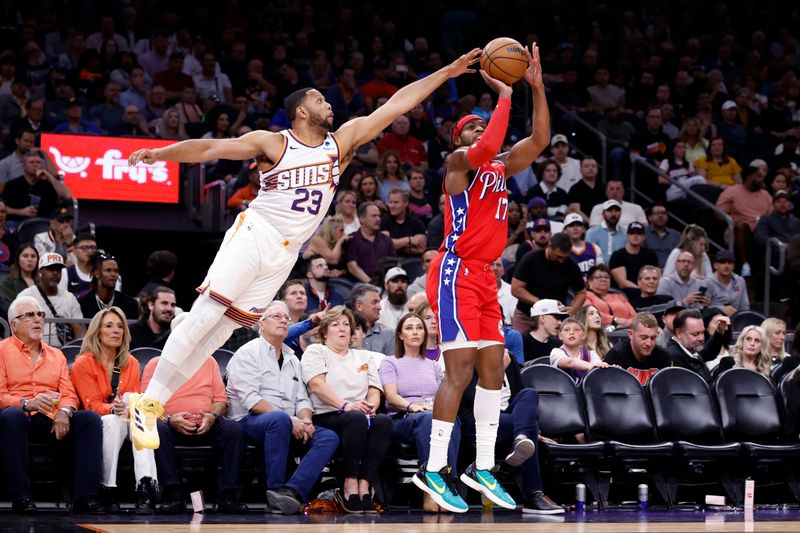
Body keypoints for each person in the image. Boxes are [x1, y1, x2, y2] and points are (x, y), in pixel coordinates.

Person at [124, 50, 484, 451]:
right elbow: (211, 149)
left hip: (286, 251)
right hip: (256, 232)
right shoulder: (274, 142)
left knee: (222, 331)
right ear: (299, 111)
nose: (328, 103)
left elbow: (399, 101)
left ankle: (151, 403)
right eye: (318, 99)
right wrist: (160, 153)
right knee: (206, 315)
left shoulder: (341, 142)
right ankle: (148, 398)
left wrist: (448, 72)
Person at [418, 44, 549, 514]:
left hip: (485, 278)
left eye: (483, 120)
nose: (480, 126)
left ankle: (484, 466)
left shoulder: (500, 167)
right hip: (454, 272)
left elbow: (538, 141)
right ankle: (434, 467)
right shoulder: (460, 163)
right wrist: (503, 96)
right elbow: (490, 145)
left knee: (494, 370)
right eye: (471, 124)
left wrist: (534, 88)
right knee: (461, 370)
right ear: (461, 138)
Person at [226, 301, 339, 515]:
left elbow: (302, 399)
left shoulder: (292, 357)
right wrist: (290, 421)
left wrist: (305, 420)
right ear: (261, 323)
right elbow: (252, 401)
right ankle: (275, 487)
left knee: (329, 437)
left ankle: (291, 491)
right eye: (277, 316)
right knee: (277, 420)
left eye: (286, 317)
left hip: (288, 422)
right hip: (248, 422)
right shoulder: (247, 353)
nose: (283, 320)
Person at [0, 295, 103, 513]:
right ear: (13, 325)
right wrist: (26, 403)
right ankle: (22, 497)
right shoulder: (1, 351)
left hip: (52, 418)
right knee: (11, 416)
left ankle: (85, 497)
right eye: (30, 315)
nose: (38, 319)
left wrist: (65, 412)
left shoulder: (57, 355)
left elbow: (68, 393)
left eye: (40, 314)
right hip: (19, 417)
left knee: (89, 420)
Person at [300, 306, 392, 513]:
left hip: (358, 412)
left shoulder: (364, 357)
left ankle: (364, 484)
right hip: (328, 414)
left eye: (346, 324)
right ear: (325, 332)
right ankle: (349, 483)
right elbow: (317, 385)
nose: (342, 328)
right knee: (355, 419)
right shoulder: (317, 351)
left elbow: (374, 390)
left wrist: (371, 407)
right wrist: (346, 405)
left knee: (383, 422)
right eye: (335, 324)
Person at [70, 307, 159, 513]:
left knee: (143, 422)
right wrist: (114, 408)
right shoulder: (83, 363)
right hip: (98, 420)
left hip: (127, 417)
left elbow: (134, 396)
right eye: (109, 326)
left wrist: (129, 406)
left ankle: (146, 488)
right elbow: (90, 403)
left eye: (120, 326)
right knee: (112, 421)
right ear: (97, 332)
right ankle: (106, 489)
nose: (116, 330)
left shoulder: (132, 363)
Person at [458, 347, 564, 514]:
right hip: (479, 422)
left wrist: (535, 432)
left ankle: (521, 438)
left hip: (510, 422)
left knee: (529, 393)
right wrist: (498, 370)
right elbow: (475, 399)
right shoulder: (467, 359)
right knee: (529, 429)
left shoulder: (509, 357)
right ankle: (533, 494)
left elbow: (522, 401)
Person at [141, 352, 248, 514]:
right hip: (169, 424)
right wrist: (169, 419)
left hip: (205, 422)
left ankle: (228, 495)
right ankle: (172, 495)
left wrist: (211, 416)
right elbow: (146, 404)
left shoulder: (209, 361)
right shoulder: (156, 364)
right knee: (157, 429)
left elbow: (220, 400)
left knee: (234, 429)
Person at [379, 313, 460, 512]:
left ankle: (448, 482)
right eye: (409, 328)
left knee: (451, 420)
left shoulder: (433, 366)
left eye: (419, 327)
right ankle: (431, 490)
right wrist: (411, 406)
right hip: (403, 418)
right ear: (400, 335)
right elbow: (390, 396)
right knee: (427, 419)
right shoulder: (390, 362)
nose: (415, 332)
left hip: (431, 415)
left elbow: (445, 396)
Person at [512, 233, 586, 334]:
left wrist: (573, 308)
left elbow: (581, 293)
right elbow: (516, 289)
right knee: (519, 346)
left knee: (555, 349)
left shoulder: (571, 265)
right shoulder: (531, 259)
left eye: (564, 257)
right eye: (558, 256)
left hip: (556, 318)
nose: (561, 261)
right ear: (549, 247)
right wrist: (542, 303)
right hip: (526, 314)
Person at [716, 164, 773, 275]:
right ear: (749, 177)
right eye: (759, 176)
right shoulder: (732, 191)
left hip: (761, 229)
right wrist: (733, 221)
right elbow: (718, 212)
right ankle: (745, 263)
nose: (762, 180)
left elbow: (772, 215)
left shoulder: (765, 194)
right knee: (743, 226)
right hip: (739, 229)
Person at [18, 253, 85, 347]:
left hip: (64, 352)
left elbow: (80, 330)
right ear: (40, 272)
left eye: (58, 270)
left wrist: (78, 351)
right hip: (33, 350)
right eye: (50, 269)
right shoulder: (26, 296)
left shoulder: (70, 298)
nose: (55, 273)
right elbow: (18, 328)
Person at [3, 149, 72, 221]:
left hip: (43, 223)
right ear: (24, 166)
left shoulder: (48, 185)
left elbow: (67, 195)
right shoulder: (13, 185)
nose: (35, 164)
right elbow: (3, 208)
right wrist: (21, 212)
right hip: (17, 223)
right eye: (31, 162)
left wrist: (49, 176)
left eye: (38, 162)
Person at [603, 312, 672, 385]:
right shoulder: (617, 355)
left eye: (653, 338)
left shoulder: (662, 356)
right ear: (630, 334)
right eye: (644, 338)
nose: (649, 343)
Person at [665, 309, 730, 382]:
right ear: (679, 333)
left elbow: (708, 351)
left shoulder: (689, 348)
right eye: (695, 334)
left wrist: (720, 331)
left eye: (702, 333)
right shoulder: (673, 357)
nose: (701, 338)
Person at [78, 252, 139, 320]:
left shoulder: (130, 304)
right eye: (108, 270)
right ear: (97, 273)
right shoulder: (83, 304)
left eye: (115, 271)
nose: (113, 274)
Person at [346, 202, 396, 283]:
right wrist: (371, 283)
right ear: (362, 219)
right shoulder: (352, 239)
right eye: (374, 216)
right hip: (362, 283)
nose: (378, 219)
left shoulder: (386, 239)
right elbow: (352, 267)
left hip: (385, 282)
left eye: (379, 216)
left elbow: (394, 263)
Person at [609, 222, 659, 289]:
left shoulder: (651, 255)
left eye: (639, 233)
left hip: (648, 292)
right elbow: (622, 283)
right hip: (625, 294)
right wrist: (642, 291)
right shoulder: (618, 255)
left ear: (644, 237)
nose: (635, 236)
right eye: (632, 233)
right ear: (627, 236)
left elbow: (658, 277)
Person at [351, 283, 395, 355]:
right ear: (359, 306)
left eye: (379, 302)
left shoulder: (389, 334)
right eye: (374, 302)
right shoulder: (345, 332)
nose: (379, 307)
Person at [381, 188, 427, 258]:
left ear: (405, 203)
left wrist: (396, 245)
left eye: (396, 202)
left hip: (414, 261)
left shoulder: (416, 222)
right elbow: (386, 245)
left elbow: (421, 248)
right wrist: (409, 240)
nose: (392, 206)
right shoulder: (384, 221)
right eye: (390, 202)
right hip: (391, 261)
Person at [707, 250, 749, 316]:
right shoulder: (707, 282)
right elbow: (703, 307)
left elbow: (744, 306)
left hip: (736, 320)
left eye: (730, 263)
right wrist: (721, 309)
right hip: (713, 319)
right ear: (715, 265)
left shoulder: (740, 281)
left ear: (733, 266)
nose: (727, 266)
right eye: (722, 262)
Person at [563, 212, 604, 279]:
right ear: (565, 230)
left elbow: (601, 272)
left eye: (578, 225)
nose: (575, 228)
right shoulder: (562, 250)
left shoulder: (594, 248)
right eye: (571, 225)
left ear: (583, 229)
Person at [566, 157, 606, 223]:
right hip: (583, 225)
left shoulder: (604, 188)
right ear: (581, 170)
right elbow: (575, 210)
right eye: (586, 166)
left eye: (593, 166)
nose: (590, 168)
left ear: (597, 169)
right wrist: (591, 223)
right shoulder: (575, 189)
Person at [644, 203, 681, 268]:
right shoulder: (643, 233)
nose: (660, 215)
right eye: (657, 213)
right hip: (650, 272)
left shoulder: (676, 235)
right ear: (650, 218)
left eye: (663, 213)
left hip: (672, 273)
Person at [491, 258, 518, 325]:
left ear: (503, 271)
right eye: (491, 264)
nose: (495, 268)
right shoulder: (477, 290)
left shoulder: (511, 290)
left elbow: (514, 318)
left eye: (498, 265)